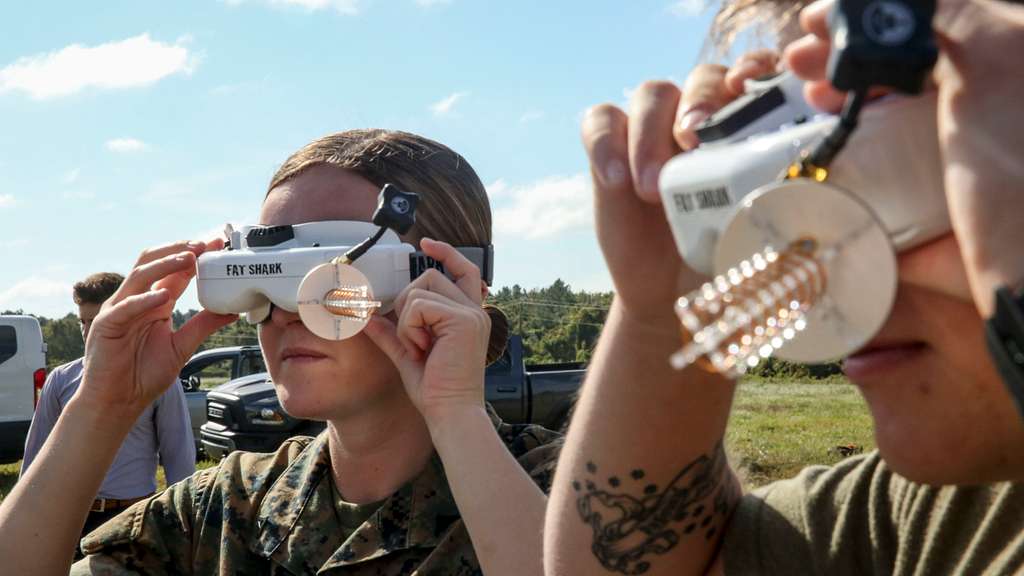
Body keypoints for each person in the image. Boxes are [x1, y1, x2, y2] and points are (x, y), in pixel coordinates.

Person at [544, 1, 1024, 575]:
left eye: (878, 141)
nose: (831, 247)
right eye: (805, 148)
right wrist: (669, 295)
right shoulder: (938, 516)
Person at [0, 129, 561, 575]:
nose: (289, 311)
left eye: (336, 273)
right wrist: (102, 406)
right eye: (267, 277)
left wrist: (455, 413)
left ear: (455, 283)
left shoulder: (566, 488)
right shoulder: (225, 509)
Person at [19, 272, 195, 552]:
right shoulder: (61, 380)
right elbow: (35, 455)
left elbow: (179, 456)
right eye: (83, 321)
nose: (89, 330)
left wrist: (185, 527)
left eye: (97, 320)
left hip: (132, 517)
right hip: (72, 518)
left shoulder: (159, 379)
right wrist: (24, 521)